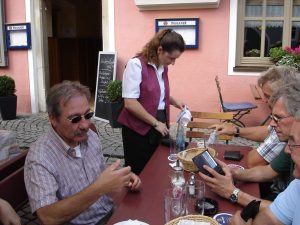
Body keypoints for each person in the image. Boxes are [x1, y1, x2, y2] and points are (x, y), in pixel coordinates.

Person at [24, 81, 141, 225]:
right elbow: (48, 217)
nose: (85, 125)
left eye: (88, 114)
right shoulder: (40, 158)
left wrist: (121, 177)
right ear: (53, 119)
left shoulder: (90, 136)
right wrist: (100, 188)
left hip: (111, 213)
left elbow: (99, 174)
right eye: (75, 119)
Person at [199, 78, 300, 208]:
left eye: (278, 118)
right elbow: (266, 171)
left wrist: (232, 192)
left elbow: (283, 214)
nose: (272, 124)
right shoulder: (291, 144)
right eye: (272, 117)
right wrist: (233, 173)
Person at [118, 28, 186, 174]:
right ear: (160, 49)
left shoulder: (163, 66)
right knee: (140, 170)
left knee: (159, 166)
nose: (173, 63)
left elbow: (157, 92)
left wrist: (173, 101)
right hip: (138, 127)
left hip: (160, 122)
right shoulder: (135, 65)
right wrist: (155, 123)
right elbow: (130, 103)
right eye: (172, 58)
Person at [211, 66, 299, 168]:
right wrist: (235, 130)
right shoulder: (286, 119)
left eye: (268, 96)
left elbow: (253, 162)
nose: (265, 101)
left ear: (285, 95)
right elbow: (268, 131)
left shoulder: (289, 124)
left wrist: (255, 150)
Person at [229, 112, 300, 225]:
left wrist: (232, 193)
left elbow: (254, 161)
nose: (286, 150)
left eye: (294, 143)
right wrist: (233, 173)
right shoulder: (297, 185)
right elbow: (267, 219)